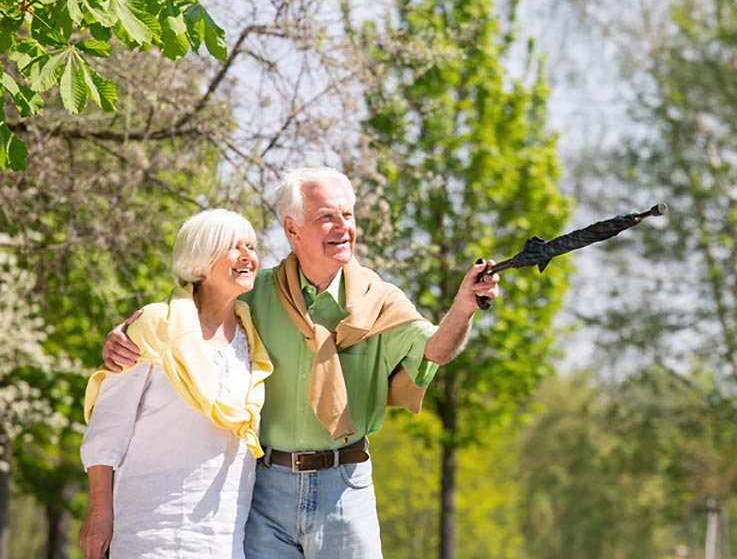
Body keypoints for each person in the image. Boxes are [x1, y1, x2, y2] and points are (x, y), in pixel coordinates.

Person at [101, 167, 500, 558]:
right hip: (265, 489)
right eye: (327, 217)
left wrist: (464, 308)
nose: (343, 227)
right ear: (292, 230)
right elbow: (188, 312)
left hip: (345, 487)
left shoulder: (380, 300)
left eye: (348, 215)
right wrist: (127, 333)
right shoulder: (254, 292)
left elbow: (436, 350)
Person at [79, 209, 273, 559]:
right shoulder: (154, 326)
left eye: (252, 247)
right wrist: (98, 512)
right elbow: (108, 427)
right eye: (234, 246)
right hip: (150, 531)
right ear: (201, 259)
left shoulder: (253, 337)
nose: (248, 256)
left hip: (224, 533)